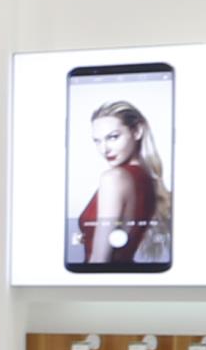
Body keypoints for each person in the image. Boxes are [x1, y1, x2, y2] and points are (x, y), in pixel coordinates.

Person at [71, 99, 167, 269]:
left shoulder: (114, 178)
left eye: (113, 137)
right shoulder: (149, 181)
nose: (104, 149)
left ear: (137, 131)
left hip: (101, 282)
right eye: (97, 141)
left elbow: (99, 261)